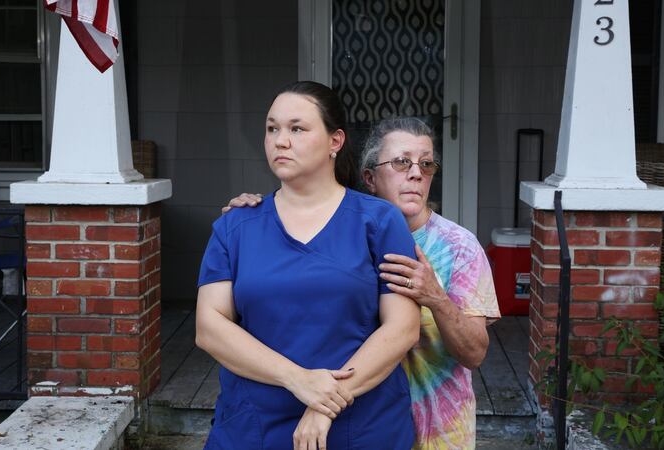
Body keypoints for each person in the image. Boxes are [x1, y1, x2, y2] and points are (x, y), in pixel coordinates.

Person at [225, 117, 501, 450]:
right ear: (369, 178)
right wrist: (254, 216)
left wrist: (436, 297)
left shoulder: (459, 247)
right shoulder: (340, 232)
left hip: (438, 432)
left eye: (426, 165)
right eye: (401, 162)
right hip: (358, 425)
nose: (416, 173)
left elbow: (475, 353)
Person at [196, 82, 420, 450]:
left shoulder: (379, 222)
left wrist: (324, 404)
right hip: (254, 427)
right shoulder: (234, 226)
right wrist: (297, 379)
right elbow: (209, 327)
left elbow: (402, 328)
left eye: (297, 128)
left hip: (360, 425)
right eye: (272, 129)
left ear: (335, 141)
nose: (280, 141)